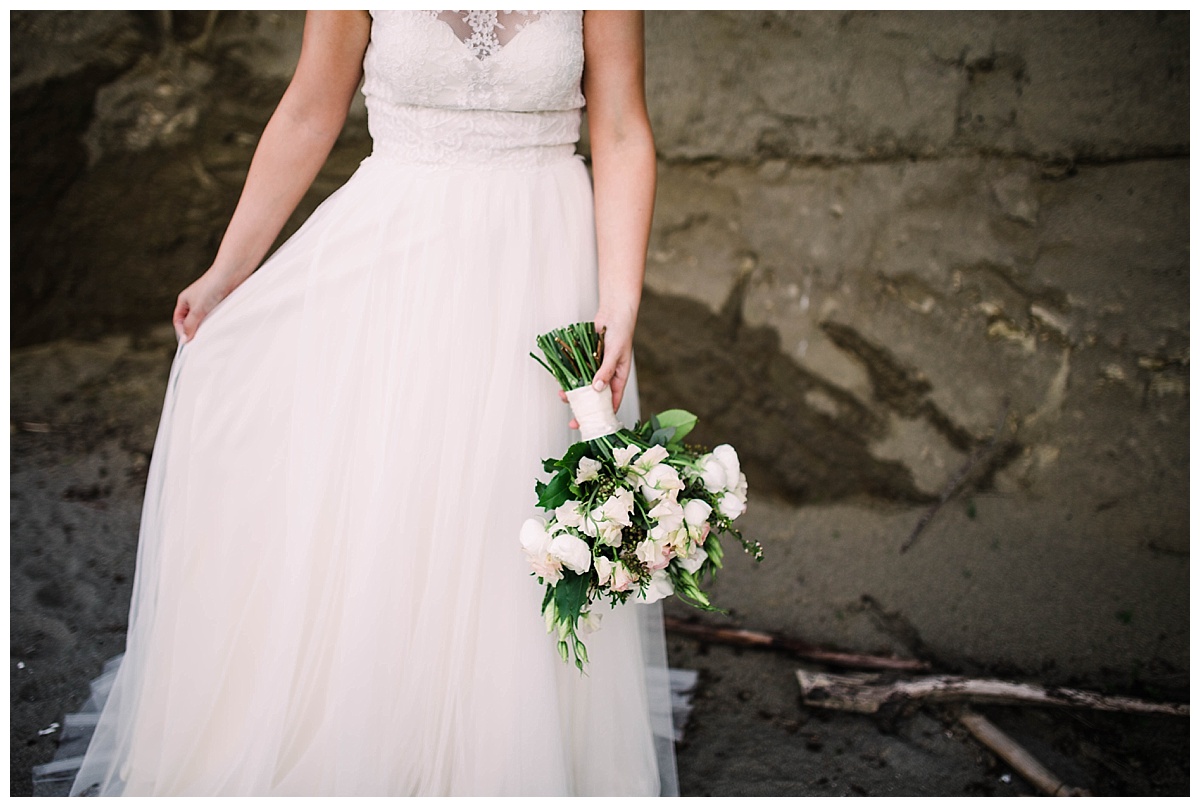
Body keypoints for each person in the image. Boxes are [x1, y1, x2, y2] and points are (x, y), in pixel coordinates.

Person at [47, 10, 676, 796]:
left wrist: (618, 303)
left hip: (541, 265)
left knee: (503, 513)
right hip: (393, 259)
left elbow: (619, 127)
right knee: (389, 503)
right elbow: (312, 105)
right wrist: (227, 270)